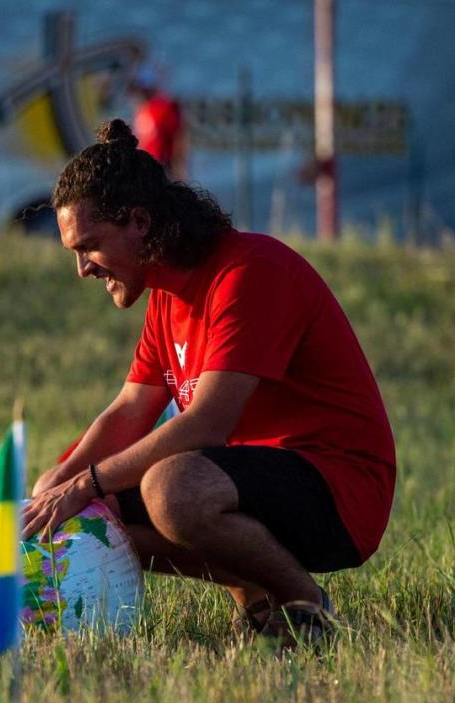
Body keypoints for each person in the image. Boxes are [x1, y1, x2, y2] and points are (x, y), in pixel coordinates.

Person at [22, 118, 395, 647]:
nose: (83, 268)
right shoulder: (165, 295)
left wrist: (87, 482)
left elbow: (207, 425)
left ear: (140, 222)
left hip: (342, 491)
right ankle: (254, 590)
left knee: (170, 489)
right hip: (247, 482)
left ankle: (304, 606)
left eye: (90, 246)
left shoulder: (249, 272)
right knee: (76, 500)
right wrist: (56, 488)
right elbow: (130, 408)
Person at [128, 68, 188, 181]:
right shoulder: (141, 111)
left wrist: (179, 168)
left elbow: (178, 137)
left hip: (164, 167)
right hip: (147, 169)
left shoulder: (164, 107)